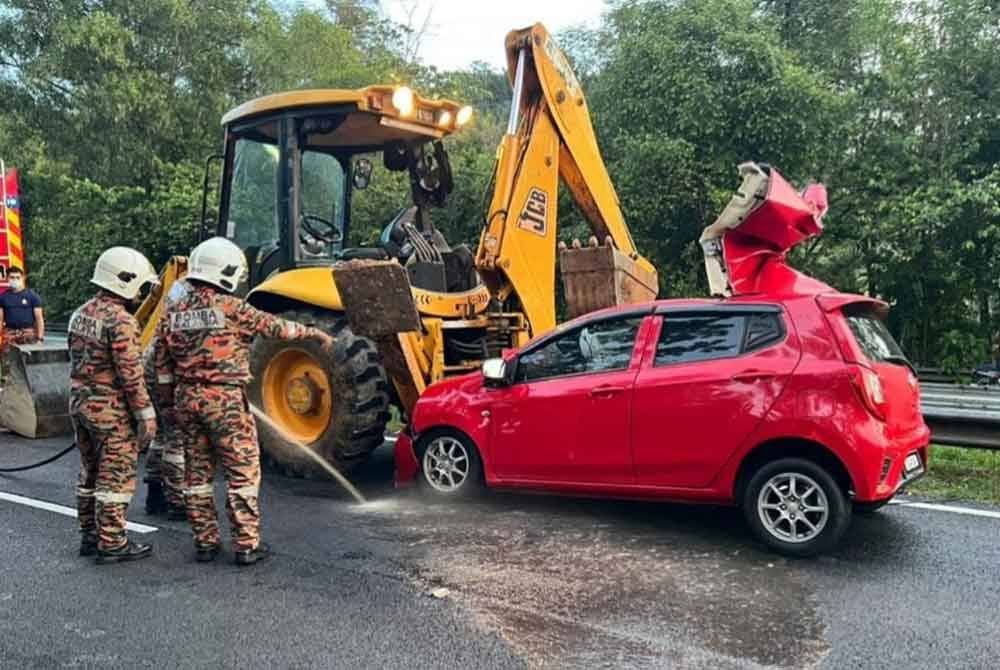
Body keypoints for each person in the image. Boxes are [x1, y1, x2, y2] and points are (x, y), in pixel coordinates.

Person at [155, 237, 334, 566]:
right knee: (242, 472)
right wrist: (314, 333)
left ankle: (205, 542)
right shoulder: (231, 308)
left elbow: (161, 365)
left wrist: (168, 403)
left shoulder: (173, 311)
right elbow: (276, 328)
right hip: (224, 400)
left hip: (186, 399)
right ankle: (246, 544)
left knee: (197, 475)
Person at [68, 247, 158, 564]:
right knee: (115, 478)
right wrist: (146, 415)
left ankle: (90, 537)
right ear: (126, 281)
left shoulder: (80, 314)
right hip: (110, 411)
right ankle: (113, 543)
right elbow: (131, 376)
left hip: (80, 405)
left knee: (90, 472)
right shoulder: (122, 322)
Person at [0, 266, 45, 345]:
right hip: (10, 334)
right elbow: (0, 320)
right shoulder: (3, 297)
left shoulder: (32, 296)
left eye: (18, 277)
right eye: (12, 277)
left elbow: (39, 319)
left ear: (23, 278)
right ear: (7, 278)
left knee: (30, 357)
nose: (15, 280)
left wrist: (40, 339)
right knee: (8, 357)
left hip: (28, 333)